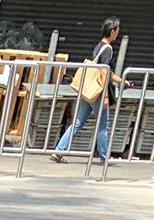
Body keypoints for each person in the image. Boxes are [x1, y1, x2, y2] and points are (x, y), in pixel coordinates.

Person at [51, 16, 121, 164]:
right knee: (103, 126)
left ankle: (58, 150)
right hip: (98, 92)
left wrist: (121, 81)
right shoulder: (108, 49)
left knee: (78, 122)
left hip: (88, 91)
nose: (118, 33)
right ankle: (104, 157)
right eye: (118, 30)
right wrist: (106, 96)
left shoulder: (99, 45)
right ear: (113, 31)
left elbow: (104, 70)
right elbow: (103, 71)